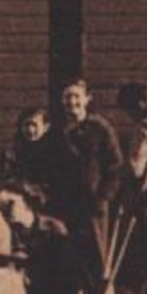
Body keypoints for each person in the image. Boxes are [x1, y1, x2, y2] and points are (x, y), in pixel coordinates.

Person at [54, 78, 124, 246]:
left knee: (96, 251)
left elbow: (115, 164)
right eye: (67, 97)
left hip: (93, 203)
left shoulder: (100, 128)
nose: (72, 102)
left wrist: (104, 196)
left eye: (77, 97)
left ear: (87, 99)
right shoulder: (57, 131)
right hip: (65, 202)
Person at [1, 106, 67, 203]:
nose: (30, 130)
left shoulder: (55, 153)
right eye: (26, 125)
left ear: (46, 127)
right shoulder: (13, 152)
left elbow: (59, 183)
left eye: (34, 125)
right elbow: (7, 178)